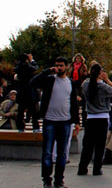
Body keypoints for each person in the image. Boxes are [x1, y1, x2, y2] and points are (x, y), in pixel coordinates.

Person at [31, 57, 80, 188]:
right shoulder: (49, 80)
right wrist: (47, 71)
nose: (59, 68)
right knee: (47, 152)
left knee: (62, 153)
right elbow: (33, 83)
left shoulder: (70, 82)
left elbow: (73, 103)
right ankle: (47, 179)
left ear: (67, 67)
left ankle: (59, 179)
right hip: (50, 121)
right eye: (57, 65)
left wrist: (76, 121)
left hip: (65, 122)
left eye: (61, 66)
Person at [78, 63, 112, 176]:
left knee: (88, 145)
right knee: (100, 145)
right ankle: (97, 169)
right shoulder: (103, 86)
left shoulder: (86, 85)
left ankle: (82, 168)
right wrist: (107, 80)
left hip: (90, 117)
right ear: (100, 73)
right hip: (102, 117)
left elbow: (83, 84)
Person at [15, 53, 41, 133]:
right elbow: (36, 68)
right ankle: (35, 127)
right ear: (27, 59)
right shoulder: (28, 67)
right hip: (30, 91)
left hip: (21, 91)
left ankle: (21, 127)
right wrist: (32, 61)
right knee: (34, 111)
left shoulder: (18, 68)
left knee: (21, 111)